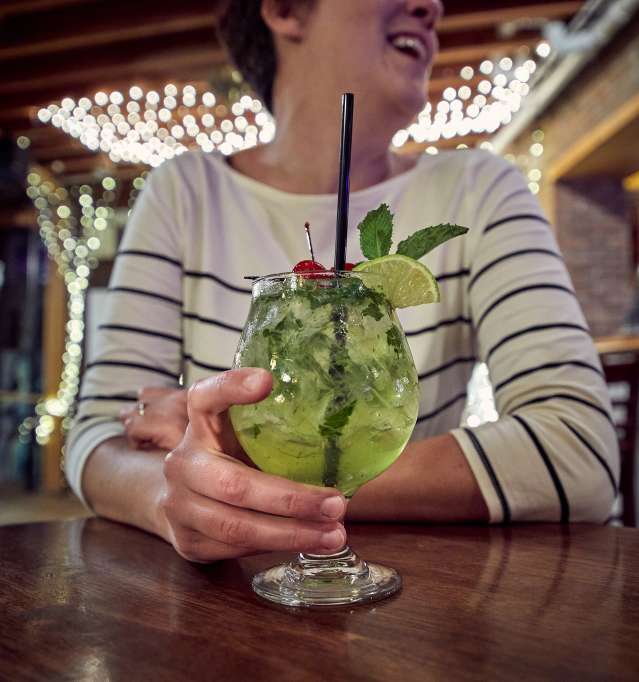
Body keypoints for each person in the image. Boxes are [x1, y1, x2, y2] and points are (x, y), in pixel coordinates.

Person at [67, 0, 620, 562]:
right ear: (285, 11)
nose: (431, 5)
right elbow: (99, 439)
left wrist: (250, 457)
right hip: (228, 595)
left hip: (418, 595)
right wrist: (177, 497)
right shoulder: (184, 193)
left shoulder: (482, 189)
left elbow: (578, 453)